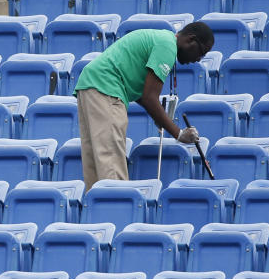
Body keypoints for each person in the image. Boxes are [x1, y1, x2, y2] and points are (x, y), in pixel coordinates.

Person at [73, 22, 215, 190]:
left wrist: (159, 115)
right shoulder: (167, 46)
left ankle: (99, 211)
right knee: (111, 166)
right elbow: (149, 98)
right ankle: (116, 212)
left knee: (95, 169)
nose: (198, 59)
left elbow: (143, 95)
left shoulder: (161, 38)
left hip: (89, 85)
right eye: (201, 52)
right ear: (191, 40)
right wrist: (179, 134)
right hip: (106, 89)